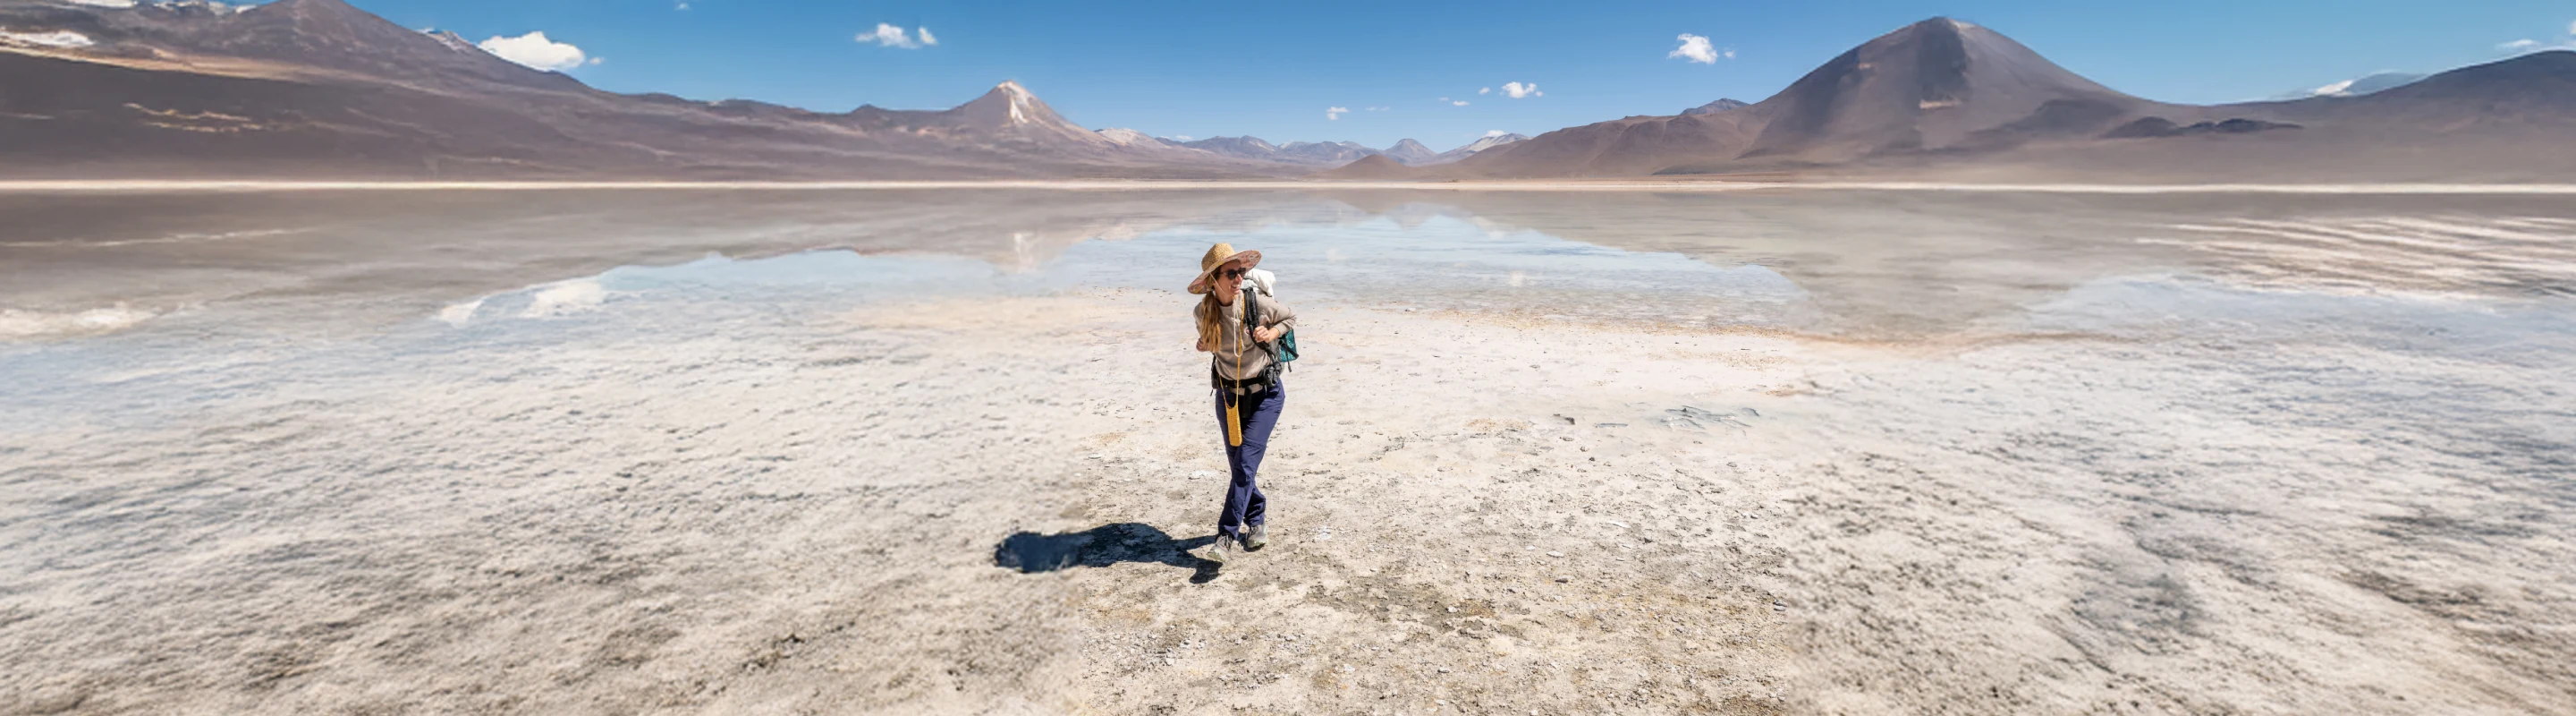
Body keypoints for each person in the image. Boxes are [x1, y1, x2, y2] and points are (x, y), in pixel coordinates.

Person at [1187, 243, 1296, 566]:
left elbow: (1290, 316)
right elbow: (1209, 345)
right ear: (1213, 280)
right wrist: (1202, 344)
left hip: (1266, 395)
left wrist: (1271, 331)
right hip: (1229, 399)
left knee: (1245, 465)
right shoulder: (1202, 313)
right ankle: (1258, 521)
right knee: (1240, 467)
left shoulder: (1255, 302)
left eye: (1241, 272)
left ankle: (1226, 535)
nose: (1238, 279)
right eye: (1231, 274)